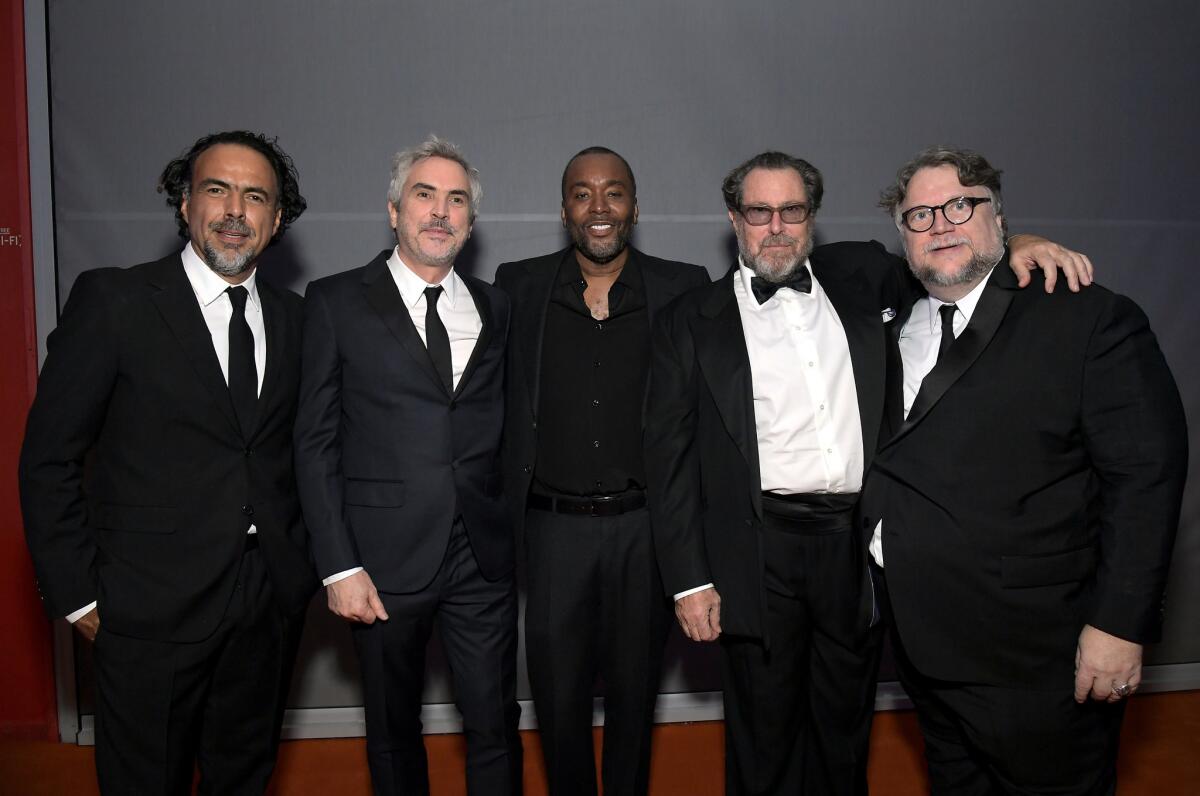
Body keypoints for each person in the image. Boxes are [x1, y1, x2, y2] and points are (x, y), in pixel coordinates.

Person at [645, 150, 1093, 795]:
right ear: (734, 219)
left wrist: (1022, 240)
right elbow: (669, 456)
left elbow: (950, 250)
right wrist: (689, 581)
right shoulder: (690, 320)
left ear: (813, 217)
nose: (777, 227)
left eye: (792, 210)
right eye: (759, 211)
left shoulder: (863, 279)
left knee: (845, 727)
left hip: (855, 549)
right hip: (756, 548)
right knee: (763, 736)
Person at [861, 146, 1187, 794]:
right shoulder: (886, 322)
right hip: (925, 652)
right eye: (919, 215)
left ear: (999, 217)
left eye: (960, 204)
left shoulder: (1086, 317)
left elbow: (1146, 474)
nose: (941, 224)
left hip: (1040, 660)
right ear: (902, 238)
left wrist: (1120, 623)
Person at [19, 130, 316, 793]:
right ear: (185, 205)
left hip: (265, 606)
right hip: (145, 609)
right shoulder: (115, 302)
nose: (235, 210)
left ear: (276, 220)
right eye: (216, 190)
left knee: (244, 777)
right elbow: (48, 460)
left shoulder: (301, 321)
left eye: (255, 196)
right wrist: (75, 594)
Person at [294, 136, 521, 795]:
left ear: (471, 225)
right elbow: (314, 441)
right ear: (394, 211)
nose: (440, 212)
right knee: (394, 731)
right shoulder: (335, 301)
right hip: (380, 560)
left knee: (495, 723)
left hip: (480, 556)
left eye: (456, 201)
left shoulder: (496, 307)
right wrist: (338, 564)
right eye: (425, 195)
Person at [495, 146, 709, 795]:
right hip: (551, 530)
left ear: (634, 209)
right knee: (556, 707)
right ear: (564, 210)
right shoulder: (518, 287)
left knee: (634, 705)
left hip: (644, 530)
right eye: (582, 194)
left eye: (613, 193)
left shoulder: (684, 288)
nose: (598, 207)